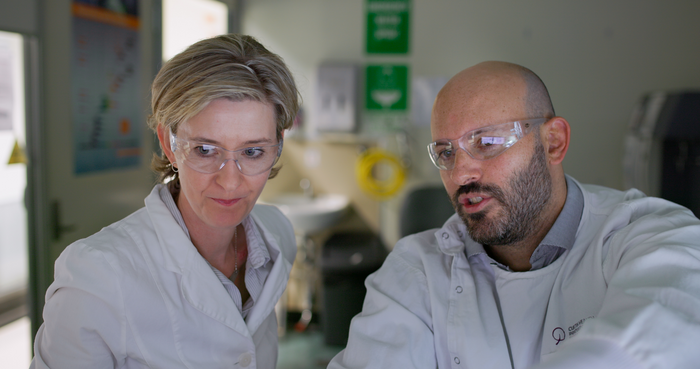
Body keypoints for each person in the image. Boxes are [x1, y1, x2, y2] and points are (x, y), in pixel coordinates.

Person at [328, 61, 700, 369]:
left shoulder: (651, 235)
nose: (461, 174)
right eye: (445, 153)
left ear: (553, 142)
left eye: (487, 143)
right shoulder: (416, 272)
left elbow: (657, 337)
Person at [31, 34, 300, 368]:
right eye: (204, 149)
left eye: (253, 151)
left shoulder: (278, 235)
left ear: (278, 146)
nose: (230, 181)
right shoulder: (98, 276)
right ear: (168, 144)